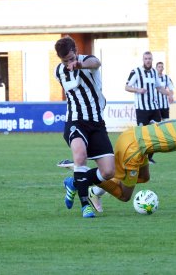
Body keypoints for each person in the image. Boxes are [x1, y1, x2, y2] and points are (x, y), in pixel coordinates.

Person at [54, 36, 115, 218]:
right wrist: (69, 66)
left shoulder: (88, 62)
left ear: (77, 52)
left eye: (72, 58)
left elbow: (96, 61)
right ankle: (85, 205)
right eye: (65, 61)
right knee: (80, 156)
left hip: (96, 123)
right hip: (75, 121)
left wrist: (79, 65)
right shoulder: (59, 71)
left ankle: (73, 183)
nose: (69, 63)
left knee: (108, 171)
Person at [125, 51, 173, 164]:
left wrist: (169, 94)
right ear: (143, 60)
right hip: (141, 109)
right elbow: (127, 87)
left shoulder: (154, 72)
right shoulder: (136, 72)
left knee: (156, 133)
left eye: (149, 59)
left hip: (154, 108)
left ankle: (149, 157)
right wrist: (138, 90)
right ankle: (139, 156)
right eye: (146, 58)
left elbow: (159, 87)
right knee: (142, 135)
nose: (148, 60)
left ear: (152, 60)